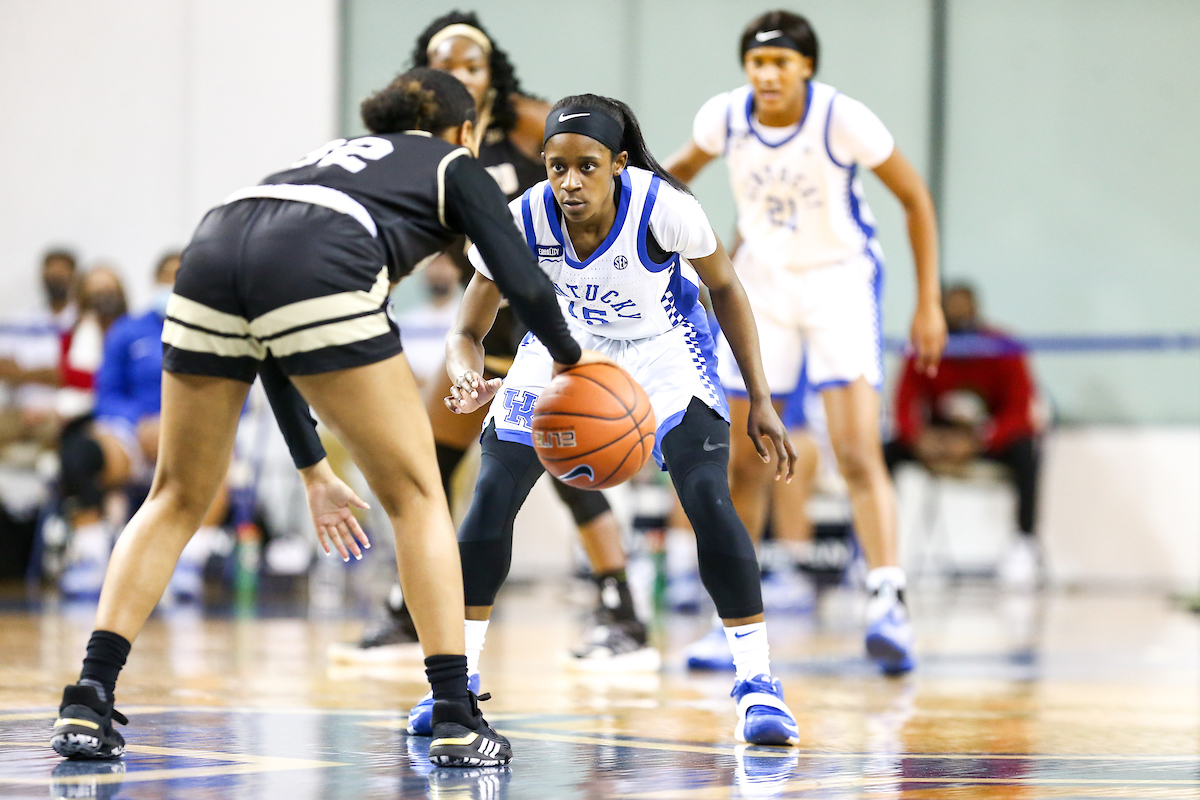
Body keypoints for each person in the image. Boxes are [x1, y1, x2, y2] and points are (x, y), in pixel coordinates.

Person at [52, 68, 590, 769]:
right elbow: (523, 281)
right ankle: (456, 714)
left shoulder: (323, 161)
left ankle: (88, 698)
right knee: (419, 495)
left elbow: (270, 338)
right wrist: (575, 364)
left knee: (175, 494)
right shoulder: (454, 161)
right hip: (318, 256)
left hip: (214, 244)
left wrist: (312, 467)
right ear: (466, 130)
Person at [404, 93, 802, 747]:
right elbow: (467, 327)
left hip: (663, 348)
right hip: (562, 352)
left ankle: (758, 684)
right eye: (556, 167)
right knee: (491, 492)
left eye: (586, 166)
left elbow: (726, 289)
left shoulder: (664, 208)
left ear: (617, 163)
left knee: (706, 494)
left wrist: (758, 396)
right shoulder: (524, 216)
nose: (569, 182)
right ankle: (456, 683)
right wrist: (467, 369)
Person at [342, 12, 654, 672]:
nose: (459, 75)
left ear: (492, 75)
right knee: (429, 466)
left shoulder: (534, 131)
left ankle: (623, 609)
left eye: (472, 65)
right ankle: (409, 610)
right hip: (480, 339)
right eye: (444, 65)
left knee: (578, 469)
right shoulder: (424, 151)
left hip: (555, 331)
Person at [665, 10, 947, 674]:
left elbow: (915, 199)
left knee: (854, 451)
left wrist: (928, 300)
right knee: (743, 460)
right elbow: (671, 178)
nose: (767, 74)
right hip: (760, 284)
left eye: (781, 63)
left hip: (839, 284)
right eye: (758, 63)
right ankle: (733, 621)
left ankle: (886, 600)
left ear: (806, 68)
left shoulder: (840, 118)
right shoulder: (726, 117)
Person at [884, 282, 1043, 587]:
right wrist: (919, 438)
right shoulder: (924, 346)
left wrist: (980, 439)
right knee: (886, 452)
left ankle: (1024, 543)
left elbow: (1022, 412)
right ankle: (878, 545)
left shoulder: (1003, 345)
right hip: (937, 439)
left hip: (985, 439)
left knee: (1027, 451)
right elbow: (903, 406)